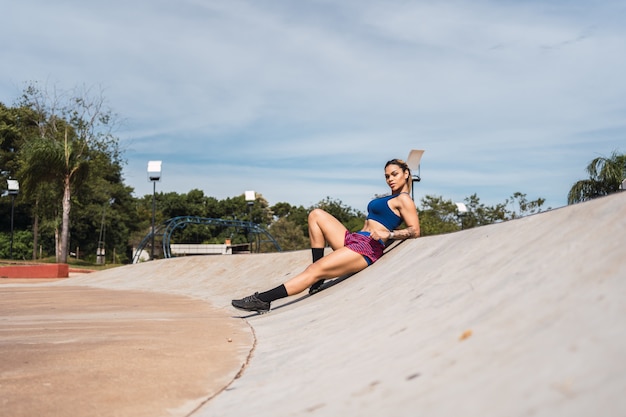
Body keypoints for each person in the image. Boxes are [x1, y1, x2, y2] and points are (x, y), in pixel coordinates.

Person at [231, 158, 420, 313]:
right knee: (316, 214)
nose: (390, 179)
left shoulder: (404, 199)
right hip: (355, 239)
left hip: (366, 248)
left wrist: (389, 233)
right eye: (387, 176)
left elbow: (415, 230)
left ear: (406, 174)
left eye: (394, 174)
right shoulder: (389, 197)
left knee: (312, 271)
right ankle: (319, 277)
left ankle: (262, 300)